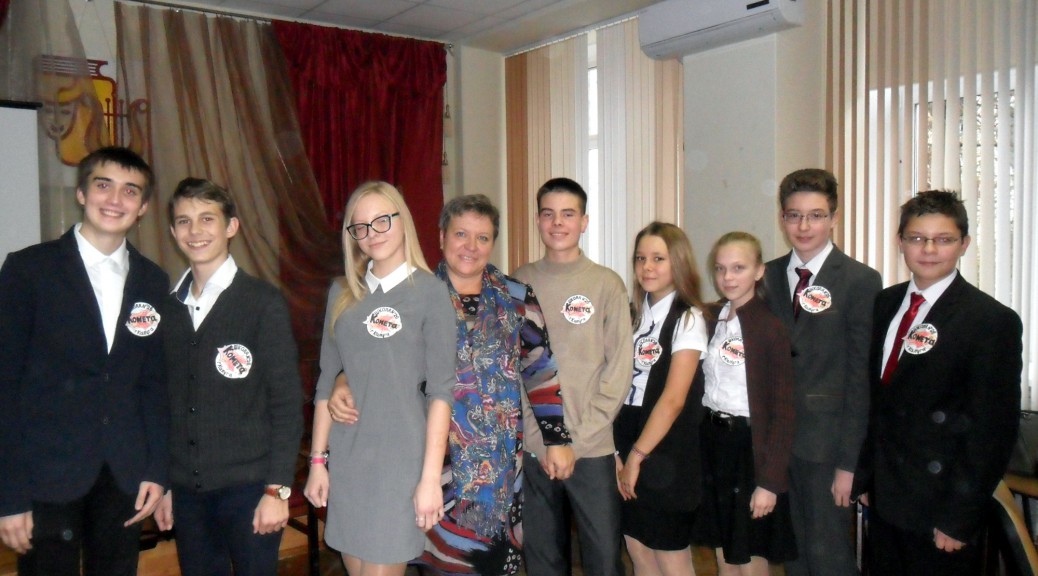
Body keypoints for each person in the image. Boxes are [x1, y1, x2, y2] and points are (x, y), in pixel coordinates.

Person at [0, 146, 169, 575]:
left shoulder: (153, 280)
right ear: (81, 193)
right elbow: (4, 385)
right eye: (103, 185)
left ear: (143, 207)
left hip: (124, 475)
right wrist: (9, 496)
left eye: (130, 190)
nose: (115, 199)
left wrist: (157, 471)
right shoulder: (28, 270)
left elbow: (153, 385)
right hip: (46, 474)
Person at [852, 190, 1022, 575]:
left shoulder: (990, 321)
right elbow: (879, 402)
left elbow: (992, 431)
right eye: (917, 238)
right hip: (887, 498)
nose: (928, 249)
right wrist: (867, 478)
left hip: (941, 506)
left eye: (943, 239)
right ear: (900, 242)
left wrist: (959, 518)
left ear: (964, 244)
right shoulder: (885, 303)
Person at [304, 181, 456, 576]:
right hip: (349, 454)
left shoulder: (431, 293)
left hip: (401, 460)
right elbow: (326, 381)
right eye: (361, 226)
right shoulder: (341, 292)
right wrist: (318, 462)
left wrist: (430, 479)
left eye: (383, 221)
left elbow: (442, 393)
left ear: (403, 220)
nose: (373, 233)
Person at [153, 178, 303, 575]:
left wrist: (277, 489)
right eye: (184, 221)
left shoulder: (262, 303)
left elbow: (286, 403)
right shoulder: (167, 310)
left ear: (231, 226)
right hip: (187, 492)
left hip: (251, 490)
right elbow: (165, 404)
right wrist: (165, 485)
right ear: (173, 232)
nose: (195, 230)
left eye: (207, 219)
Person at [762, 168, 881, 576]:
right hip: (777, 443)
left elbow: (860, 378)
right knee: (793, 554)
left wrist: (850, 463)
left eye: (816, 215)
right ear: (782, 217)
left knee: (830, 557)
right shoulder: (766, 276)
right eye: (794, 215)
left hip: (828, 447)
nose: (804, 226)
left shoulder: (860, 281)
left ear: (834, 218)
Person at [512, 177, 633, 576]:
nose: (558, 223)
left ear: (584, 221)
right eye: (548, 214)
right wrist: (544, 441)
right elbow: (513, 369)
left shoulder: (606, 284)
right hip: (535, 449)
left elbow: (618, 371)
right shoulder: (518, 282)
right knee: (543, 561)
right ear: (537, 220)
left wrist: (573, 443)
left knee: (604, 562)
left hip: (591, 447)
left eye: (568, 214)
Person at [693, 232, 796, 576]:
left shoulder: (769, 327)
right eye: (720, 268)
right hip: (714, 443)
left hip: (750, 450)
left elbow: (783, 411)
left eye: (739, 268)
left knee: (749, 554)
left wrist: (769, 481)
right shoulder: (711, 318)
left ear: (759, 271)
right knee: (724, 551)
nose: (728, 277)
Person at [614, 222, 708, 575]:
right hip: (627, 433)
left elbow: (673, 399)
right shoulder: (632, 316)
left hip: (667, 448)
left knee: (670, 555)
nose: (647, 267)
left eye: (658, 258)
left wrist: (636, 457)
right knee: (638, 550)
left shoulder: (689, 318)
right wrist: (617, 453)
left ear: (678, 263)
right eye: (641, 259)